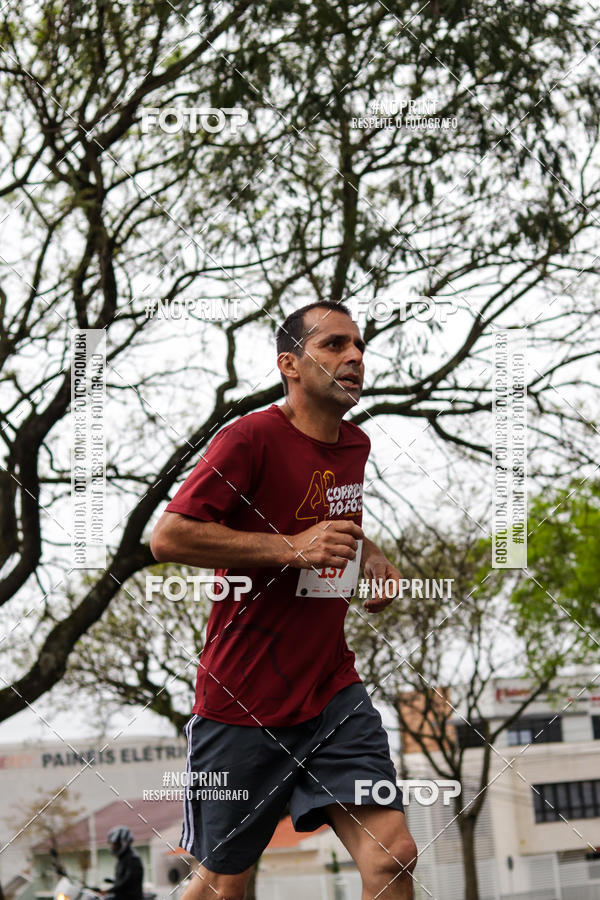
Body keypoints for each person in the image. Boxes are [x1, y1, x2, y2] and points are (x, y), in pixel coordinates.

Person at [151, 301, 418, 900]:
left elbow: (332, 517)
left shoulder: (355, 445)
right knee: (225, 884)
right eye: (334, 346)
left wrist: (371, 555)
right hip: (242, 700)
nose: (354, 357)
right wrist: (290, 548)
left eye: (359, 346)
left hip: (331, 692)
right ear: (290, 364)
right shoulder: (249, 437)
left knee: (394, 856)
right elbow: (169, 538)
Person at [104, 827, 143, 900]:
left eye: (115, 844)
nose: (113, 847)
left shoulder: (133, 858)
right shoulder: (122, 859)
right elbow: (122, 880)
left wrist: (108, 890)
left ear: (123, 842)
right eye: (112, 844)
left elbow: (127, 881)